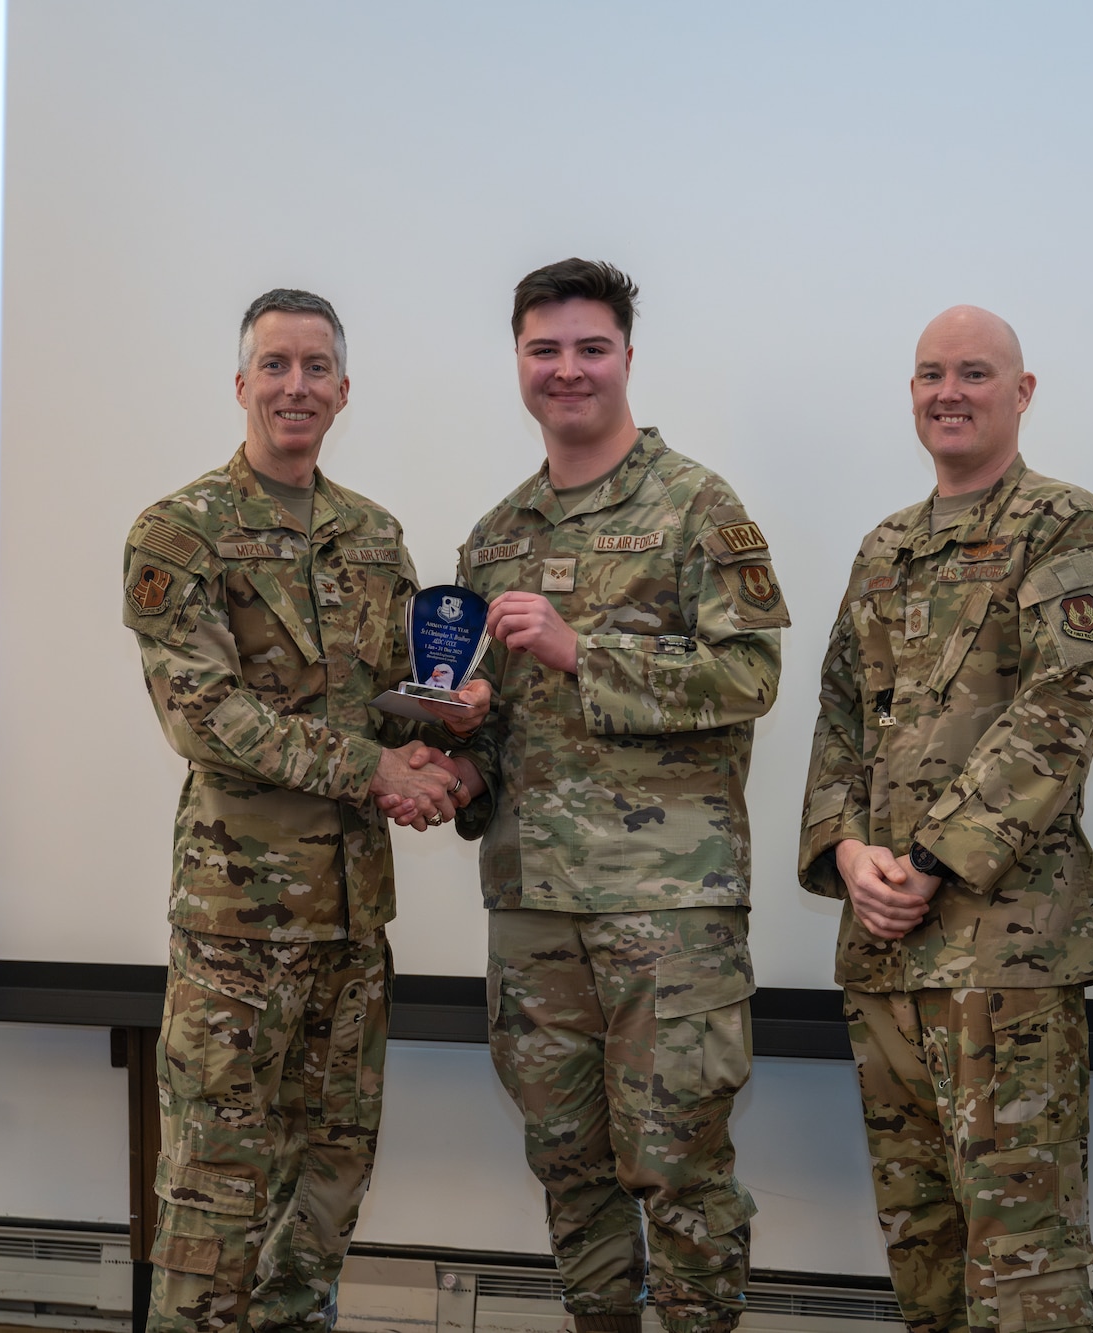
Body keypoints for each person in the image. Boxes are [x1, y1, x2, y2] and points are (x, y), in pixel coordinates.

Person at [388, 259, 788, 1333]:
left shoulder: (697, 506)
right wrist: (458, 759)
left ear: (626, 358)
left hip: (667, 910)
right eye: (544, 349)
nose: (567, 370)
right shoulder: (495, 536)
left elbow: (750, 675)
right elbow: (502, 724)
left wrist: (582, 650)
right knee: (568, 1165)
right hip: (533, 906)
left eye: (590, 348)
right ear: (518, 361)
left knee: (680, 1167)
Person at [122, 290, 470, 1333]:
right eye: (275, 365)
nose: (296, 386)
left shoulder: (376, 538)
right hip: (237, 934)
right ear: (241, 384)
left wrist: (446, 724)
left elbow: (386, 698)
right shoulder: (180, 533)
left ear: (344, 391)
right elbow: (207, 717)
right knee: (212, 1200)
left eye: (317, 367)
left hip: (353, 930)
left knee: (323, 1195)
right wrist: (377, 768)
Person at [797, 306, 1093, 1333]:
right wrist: (846, 851)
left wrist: (930, 862)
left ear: (1021, 392)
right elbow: (838, 715)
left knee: (1021, 1257)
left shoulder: (1066, 527)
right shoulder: (884, 548)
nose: (949, 392)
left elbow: (1059, 714)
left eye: (975, 373)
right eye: (930, 373)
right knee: (925, 1251)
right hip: (885, 958)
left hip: (1005, 958)